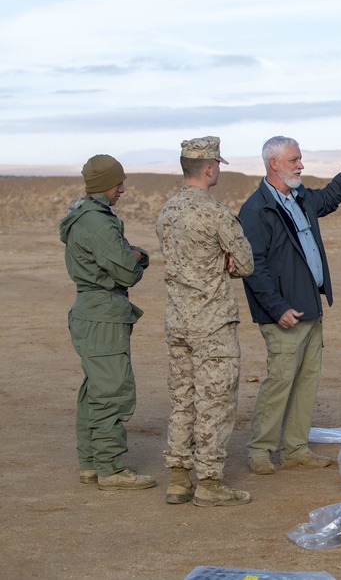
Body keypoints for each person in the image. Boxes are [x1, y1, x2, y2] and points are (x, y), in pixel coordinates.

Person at [239, 136, 341, 475]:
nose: (301, 165)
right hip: (283, 315)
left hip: (309, 307)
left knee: (307, 382)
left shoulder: (301, 197)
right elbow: (253, 265)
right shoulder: (256, 210)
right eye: (294, 160)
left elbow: (329, 198)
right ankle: (260, 451)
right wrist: (277, 307)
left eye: (300, 159)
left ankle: (294, 448)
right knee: (279, 382)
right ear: (273, 163)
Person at [156, 137, 255, 507]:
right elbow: (244, 264)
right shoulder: (216, 214)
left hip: (178, 321)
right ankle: (210, 482)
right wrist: (225, 262)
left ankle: (179, 479)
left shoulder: (167, 211)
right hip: (212, 323)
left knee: (182, 399)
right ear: (210, 168)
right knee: (215, 402)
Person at [59, 154, 155, 490]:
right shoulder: (99, 224)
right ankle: (111, 469)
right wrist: (140, 257)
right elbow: (126, 269)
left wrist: (132, 255)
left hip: (91, 310)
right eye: (119, 184)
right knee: (112, 391)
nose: (123, 190)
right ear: (104, 186)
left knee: (95, 390)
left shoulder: (84, 216)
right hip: (102, 315)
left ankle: (91, 464)